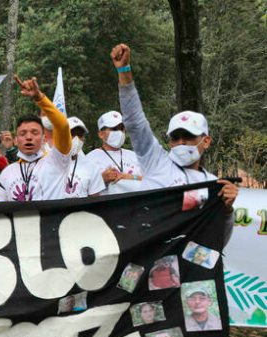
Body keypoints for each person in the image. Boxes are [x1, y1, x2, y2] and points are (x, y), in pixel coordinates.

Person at [112, 43, 238, 246]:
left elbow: (218, 242)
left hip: (191, 272)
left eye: (188, 137)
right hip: (147, 263)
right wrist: (124, 71)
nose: (180, 143)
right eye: (175, 137)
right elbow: (134, 122)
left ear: (206, 141)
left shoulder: (214, 185)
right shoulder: (156, 161)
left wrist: (227, 210)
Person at [0, 75, 72, 202]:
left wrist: (39, 98)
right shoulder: (7, 173)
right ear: (15, 141)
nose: (29, 137)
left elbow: (63, 126)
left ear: (44, 139)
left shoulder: (57, 159)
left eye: (35, 133)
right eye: (23, 134)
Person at [81, 111, 142, 195]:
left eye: (121, 129)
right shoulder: (89, 159)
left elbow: (151, 182)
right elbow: (81, 194)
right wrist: (101, 180)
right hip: (106, 207)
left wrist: (131, 177)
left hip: (136, 206)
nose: (119, 133)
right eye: (114, 129)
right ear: (101, 134)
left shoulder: (134, 156)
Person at [63, 117, 105, 198]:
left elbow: (94, 201)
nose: (76, 139)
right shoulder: (48, 163)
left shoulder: (91, 166)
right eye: (71, 134)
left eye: (80, 135)